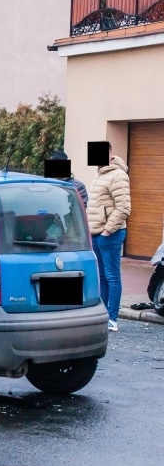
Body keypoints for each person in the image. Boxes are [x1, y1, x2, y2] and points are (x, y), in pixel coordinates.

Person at [87, 142, 131, 332]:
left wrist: (107, 231)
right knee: (102, 276)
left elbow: (123, 208)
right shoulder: (100, 174)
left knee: (112, 276)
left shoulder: (118, 175)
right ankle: (104, 314)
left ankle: (112, 318)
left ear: (110, 153)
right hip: (97, 233)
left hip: (110, 234)